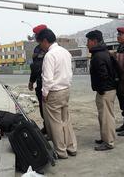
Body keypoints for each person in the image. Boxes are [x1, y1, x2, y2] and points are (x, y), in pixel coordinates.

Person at [38, 28, 77, 159]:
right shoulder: (66, 52)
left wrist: (44, 94)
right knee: (66, 120)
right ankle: (71, 147)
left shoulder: (50, 55)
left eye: (40, 43)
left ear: (45, 41)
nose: (40, 46)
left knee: (55, 124)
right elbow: (70, 73)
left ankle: (61, 151)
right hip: (66, 90)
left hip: (54, 92)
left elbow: (47, 79)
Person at [86, 30, 117, 151]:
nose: (87, 44)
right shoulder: (104, 52)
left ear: (94, 41)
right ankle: (105, 138)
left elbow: (103, 75)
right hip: (107, 90)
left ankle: (108, 142)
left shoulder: (98, 56)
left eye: (88, 41)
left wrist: (101, 90)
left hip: (105, 91)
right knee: (104, 116)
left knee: (106, 117)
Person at [28, 24, 47, 134]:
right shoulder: (54, 46)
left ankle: (49, 130)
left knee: (44, 109)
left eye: (36, 34)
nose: (35, 37)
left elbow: (36, 68)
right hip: (55, 84)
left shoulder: (40, 49)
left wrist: (31, 82)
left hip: (43, 83)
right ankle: (48, 128)